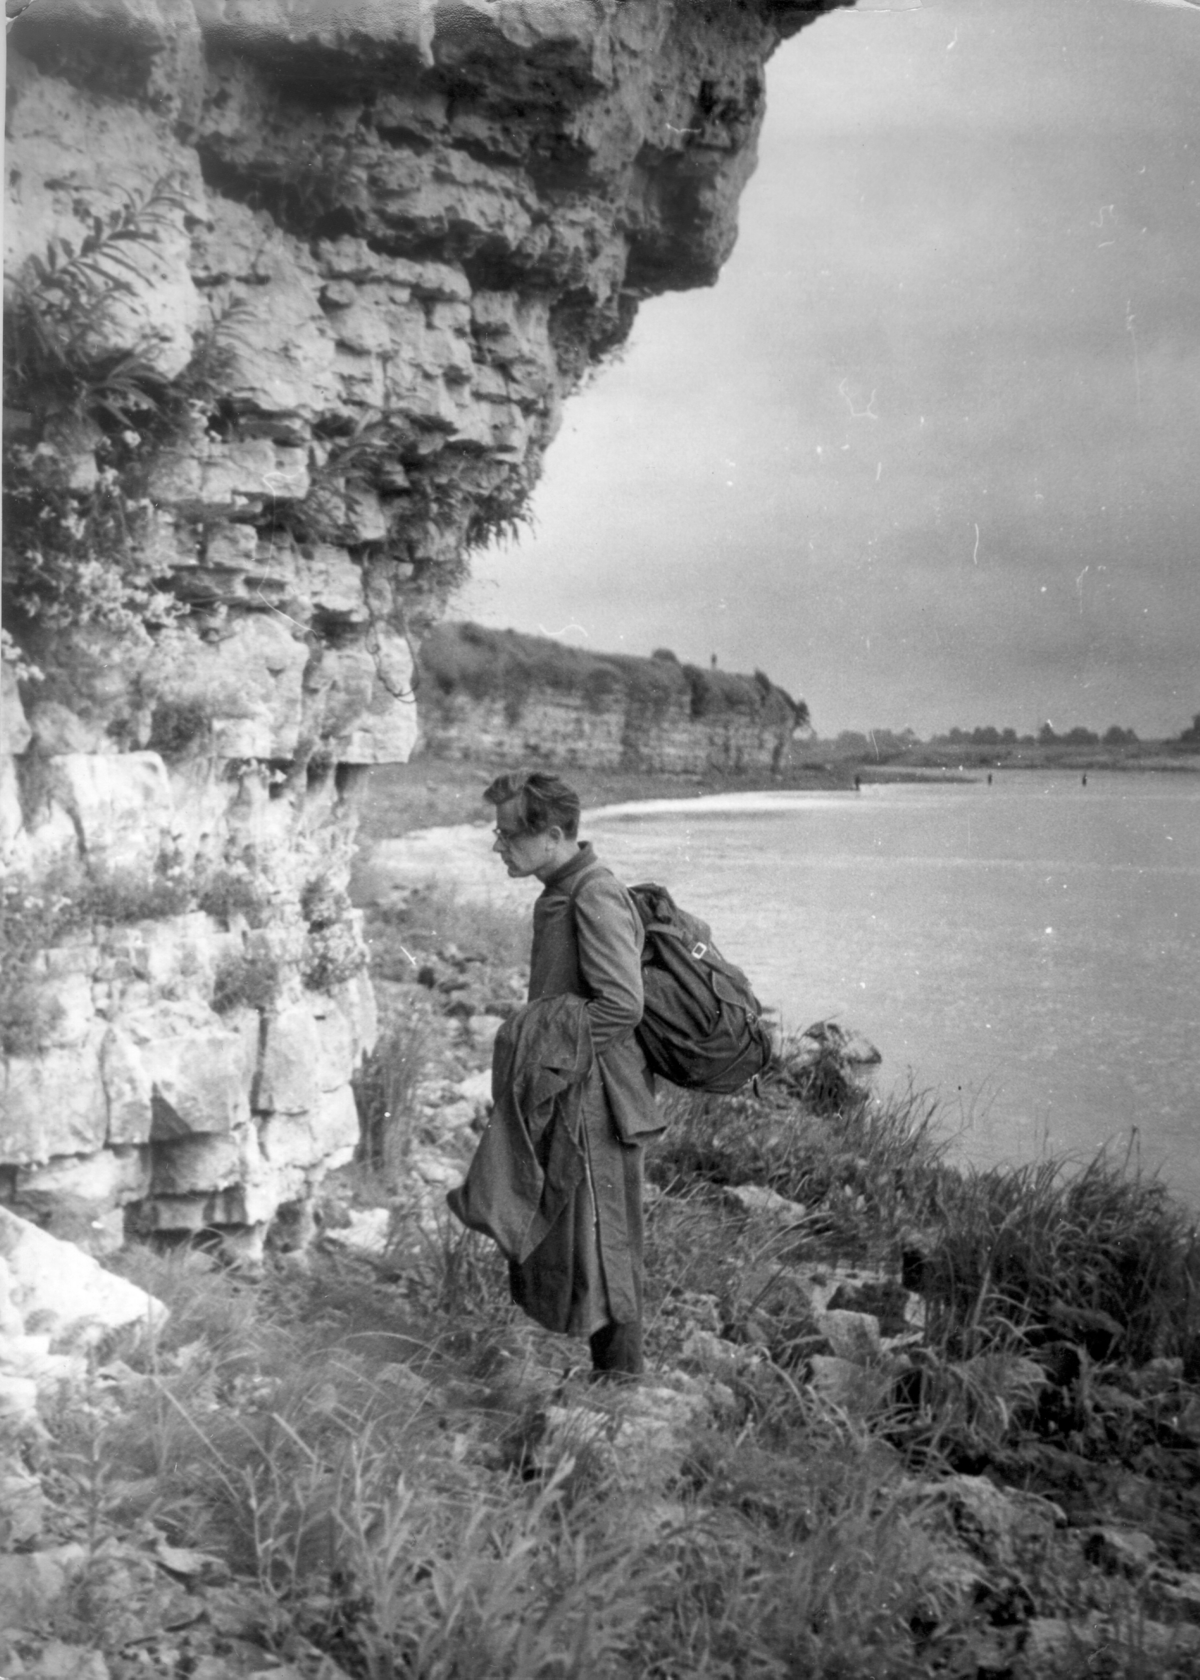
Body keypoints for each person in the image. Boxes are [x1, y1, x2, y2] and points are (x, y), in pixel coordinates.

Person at [447, 769, 661, 1378]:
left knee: (609, 1240)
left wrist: (543, 1050)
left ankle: (622, 1383)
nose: (499, 846)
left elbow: (622, 1005)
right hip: (575, 1088)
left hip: (600, 1100)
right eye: (498, 833)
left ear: (555, 835)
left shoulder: (593, 893)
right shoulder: (562, 889)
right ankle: (611, 1375)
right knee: (581, 1233)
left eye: (509, 834)